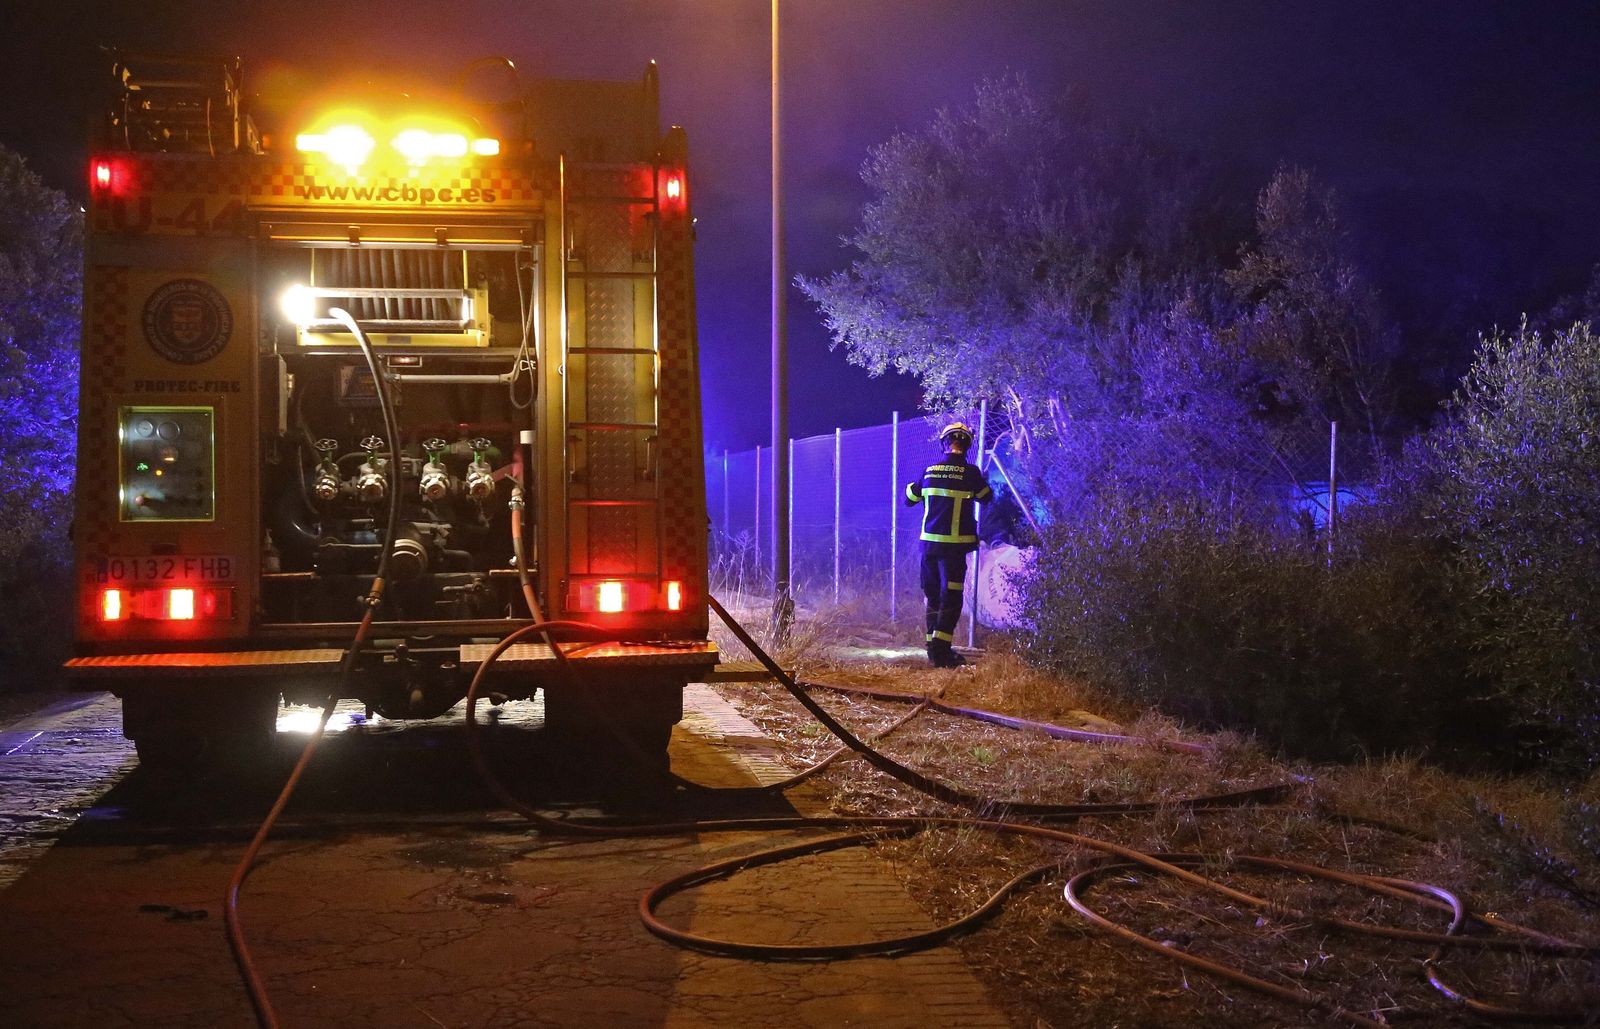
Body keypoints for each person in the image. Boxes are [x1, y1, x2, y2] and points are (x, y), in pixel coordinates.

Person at [905, 421, 991, 668]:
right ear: (967, 446)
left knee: (932, 596)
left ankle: (933, 648)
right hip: (954, 550)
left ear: (944, 443)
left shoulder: (929, 470)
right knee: (951, 599)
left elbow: (909, 499)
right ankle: (941, 654)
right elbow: (987, 498)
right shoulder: (971, 473)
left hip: (929, 548)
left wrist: (913, 486)